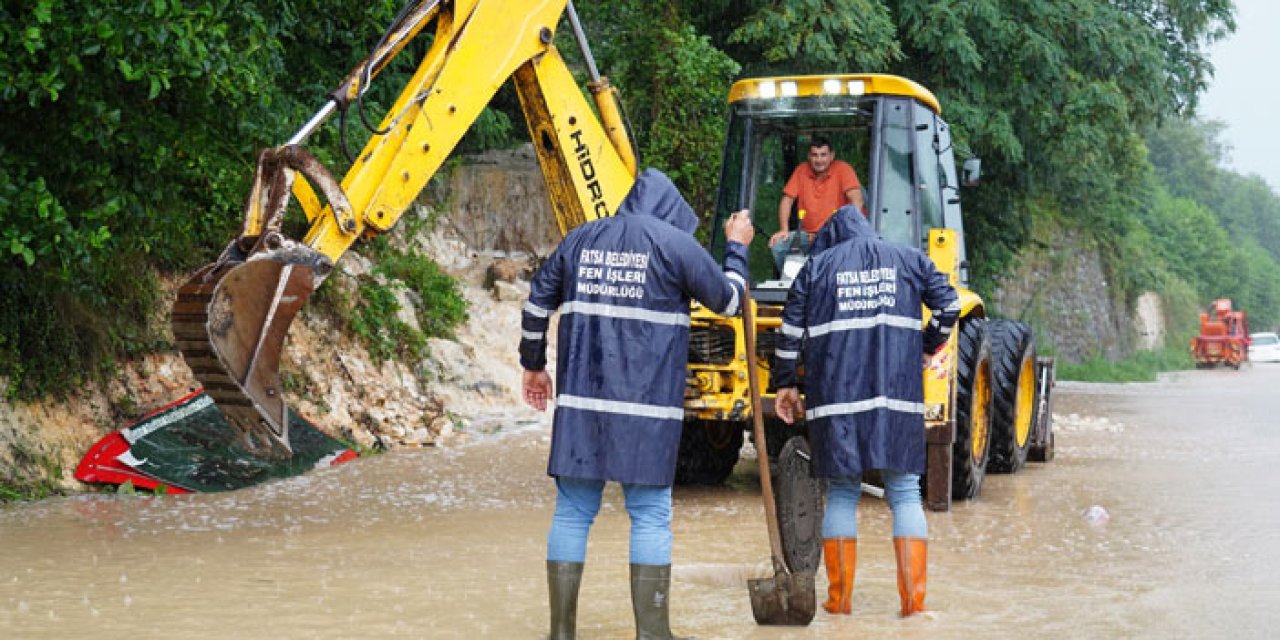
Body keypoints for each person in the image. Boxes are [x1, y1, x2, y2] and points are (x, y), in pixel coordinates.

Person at [519, 168, 754, 640]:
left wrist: (534, 364)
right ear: (669, 211)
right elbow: (730, 301)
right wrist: (737, 248)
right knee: (649, 515)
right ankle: (653, 633)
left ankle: (561, 633)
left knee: (571, 512)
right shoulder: (676, 247)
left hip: (583, 407)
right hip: (648, 412)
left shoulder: (580, 240)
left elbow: (536, 304)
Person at [771, 205, 959, 618]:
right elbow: (950, 306)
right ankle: (913, 605)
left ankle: (839, 604)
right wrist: (927, 346)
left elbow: (788, 335)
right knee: (905, 492)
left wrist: (785, 383)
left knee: (841, 492)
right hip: (897, 400)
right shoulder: (910, 260)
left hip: (836, 402)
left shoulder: (816, 269)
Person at [767, 135, 864, 271]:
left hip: (836, 235)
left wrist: (849, 229)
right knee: (779, 245)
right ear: (809, 156)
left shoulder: (843, 170)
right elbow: (787, 200)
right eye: (815, 155)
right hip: (808, 236)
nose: (819, 160)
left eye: (823, 155)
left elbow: (857, 200)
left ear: (832, 156)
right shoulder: (801, 170)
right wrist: (784, 229)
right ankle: (793, 285)